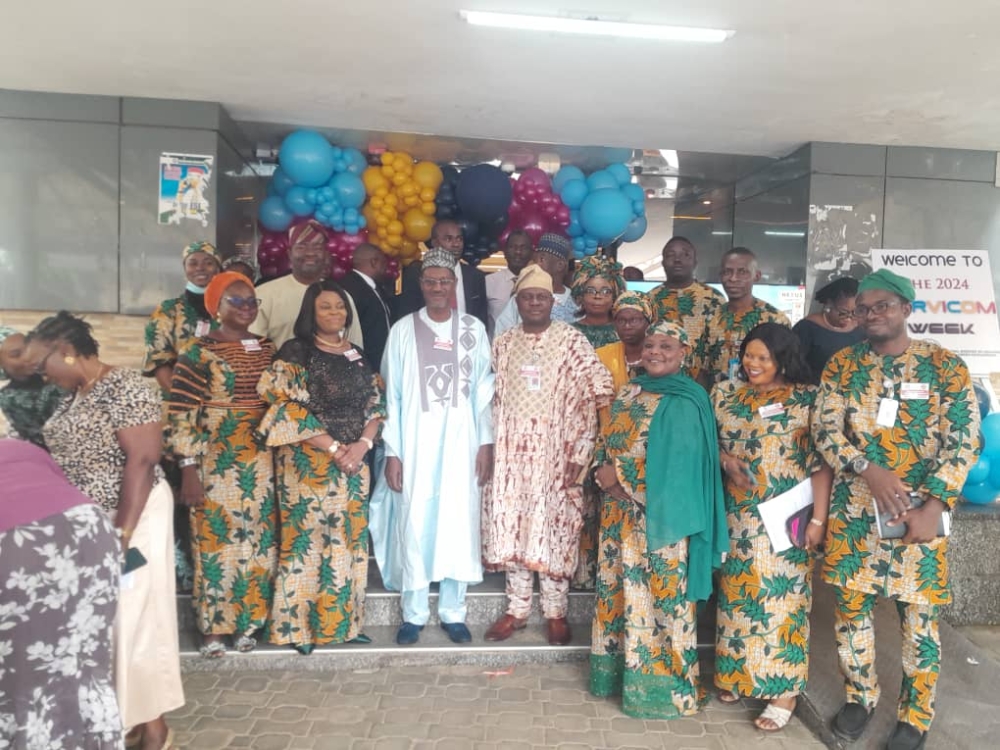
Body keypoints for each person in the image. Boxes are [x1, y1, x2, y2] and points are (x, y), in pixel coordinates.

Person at [813, 269, 981, 750]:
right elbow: (825, 431)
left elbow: (965, 438)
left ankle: (915, 715)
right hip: (854, 515)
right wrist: (868, 469)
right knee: (851, 614)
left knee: (920, 622)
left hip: (917, 517)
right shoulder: (843, 366)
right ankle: (859, 697)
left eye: (882, 305)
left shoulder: (943, 367)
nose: (870, 314)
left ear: (907, 309)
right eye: (863, 308)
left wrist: (936, 502)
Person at [27, 312, 183, 750]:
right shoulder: (75, 394)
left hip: (134, 517)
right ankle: (134, 718)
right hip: (94, 522)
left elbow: (143, 460)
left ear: (68, 352)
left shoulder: (126, 385)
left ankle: (155, 731)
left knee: (134, 619)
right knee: (111, 624)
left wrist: (122, 533)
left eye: (45, 366)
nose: (43, 375)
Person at [589, 321, 727, 719]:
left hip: (662, 520)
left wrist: (623, 480)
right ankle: (619, 678)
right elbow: (608, 437)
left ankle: (669, 692)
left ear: (684, 351)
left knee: (662, 600)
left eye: (666, 345)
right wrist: (603, 470)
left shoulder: (687, 398)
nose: (655, 352)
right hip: (619, 517)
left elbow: (681, 466)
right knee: (621, 597)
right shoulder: (630, 390)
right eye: (650, 344)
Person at [483, 265, 614, 646]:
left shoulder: (571, 340)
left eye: (542, 296)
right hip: (511, 458)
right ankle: (517, 610)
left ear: (551, 301)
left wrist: (583, 449)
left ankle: (556, 613)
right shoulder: (503, 344)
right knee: (515, 526)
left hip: (558, 455)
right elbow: (486, 400)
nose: (535, 302)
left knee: (556, 529)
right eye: (528, 296)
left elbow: (600, 392)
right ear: (518, 301)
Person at [370, 248, 495, 645]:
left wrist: (486, 443)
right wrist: (393, 452)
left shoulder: (474, 329)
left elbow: (484, 394)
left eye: (445, 281)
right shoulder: (403, 330)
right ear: (420, 286)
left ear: (454, 285)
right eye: (431, 281)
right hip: (416, 446)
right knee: (415, 522)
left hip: (463, 446)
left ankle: (454, 612)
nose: (438, 287)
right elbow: (393, 399)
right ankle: (415, 612)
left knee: (458, 523)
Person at [711, 323, 833, 731]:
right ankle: (739, 676)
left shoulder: (807, 400)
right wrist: (727, 461)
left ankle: (784, 691)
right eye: (749, 355)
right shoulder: (727, 395)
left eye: (763, 357)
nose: (753, 364)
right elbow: (712, 442)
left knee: (783, 604)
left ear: (783, 358)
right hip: (738, 515)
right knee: (738, 598)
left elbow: (821, 464)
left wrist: (818, 519)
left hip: (787, 519)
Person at [257, 280, 385, 653]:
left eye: (340, 306)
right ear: (310, 312)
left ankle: (341, 625)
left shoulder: (357, 353)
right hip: (309, 463)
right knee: (306, 546)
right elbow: (285, 408)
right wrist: (333, 448)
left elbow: (375, 404)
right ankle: (298, 630)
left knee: (348, 545)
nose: (335, 313)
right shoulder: (296, 352)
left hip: (354, 464)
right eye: (326, 307)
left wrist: (361, 445)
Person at [168, 271, 277, 658]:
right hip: (214, 457)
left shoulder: (268, 348)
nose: (247, 308)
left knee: (259, 542)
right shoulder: (197, 352)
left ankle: (248, 624)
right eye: (238, 301)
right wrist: (187, 468)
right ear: (216, 306)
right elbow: (181, 412)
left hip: (261, 460)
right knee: (215, 542)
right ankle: (214, 629)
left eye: (252, 302)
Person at [0, 440, 123, 749]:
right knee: (85, 665)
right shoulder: (18, 447)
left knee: (17, 677)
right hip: (91, 529)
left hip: (15, 541)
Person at [694, 247, 790, 385]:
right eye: (727, 272)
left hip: (757, 400)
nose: (733, 278)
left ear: (756, 276)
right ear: (720, 275)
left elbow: (783, 372)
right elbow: (702, 370)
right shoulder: (709, 318)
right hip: (716, 401)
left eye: (742, 272)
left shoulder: (774, 319)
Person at [142, 241, 222, 397]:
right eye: (193, 263)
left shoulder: (230, 308)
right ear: (185, 268)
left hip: (222, 403)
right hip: (178, 399)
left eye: (208, 263)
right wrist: (181, 399)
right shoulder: (167, 310)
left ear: (218, 269)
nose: (200, 268)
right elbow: (159, 361)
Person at [252, 219, 330, 347]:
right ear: (289, 254)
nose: (310, 253)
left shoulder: (340, 296)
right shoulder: (264, 294)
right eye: (301, 247)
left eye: (317, 247)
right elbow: (252, 347)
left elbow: (353, 344)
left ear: (326, 255)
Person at [395, 219, 488, 326]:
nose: (456, 244)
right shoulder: (416, 273)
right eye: (448, 239)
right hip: (425, 338)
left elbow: (481, 319)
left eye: (459, 239)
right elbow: (406, 314)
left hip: (465, 339)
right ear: (435, 243)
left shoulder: (475, 276)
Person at [493, 233, 579, 336]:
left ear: (560, 265)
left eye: (542, 259)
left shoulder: (575, 304)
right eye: (534, 259)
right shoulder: (521, 298)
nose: (535, 264)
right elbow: (501, 334)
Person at [647, 236, 725, 349]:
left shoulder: (713, 297)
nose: (677, 259)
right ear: (663, 262)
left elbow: (719, 342)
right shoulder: (649, 299)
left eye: (685, 254)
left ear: (695, 262)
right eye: (671, 255)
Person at [0, 326, 64, 446]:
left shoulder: (49, 371)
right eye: (16, 354)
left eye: (28, 349)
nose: (28, 357)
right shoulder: (10, 397)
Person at [793, 277, 864, 381]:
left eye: (855, 312)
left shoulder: (862, 330)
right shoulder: (807, 328)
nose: (849, 318)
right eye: (843, 312)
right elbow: (793, 367)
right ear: (829, 303)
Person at [338, 243, 393, 370]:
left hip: (380, 363)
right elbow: (343, 332)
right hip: (363, 365)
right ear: (374, 262)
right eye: (384, 263)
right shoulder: (349, 288)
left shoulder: (376, 288)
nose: (386, 269)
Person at [594, 292, 654, 391]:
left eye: (634, 320)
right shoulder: (600, 356)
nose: (627, 326)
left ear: (648, 322)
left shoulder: (658, 355)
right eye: (621, 321)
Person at [485, 229, 534, 336]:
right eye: (513, 247)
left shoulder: (538, 284)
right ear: (504, 252)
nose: (518, 252)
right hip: (495, 348)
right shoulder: (488, 282)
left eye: (523, 248)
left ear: (531, 252)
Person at [571, 254, 625, 349]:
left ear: (615, 296)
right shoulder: (570, 333)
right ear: (580, 296)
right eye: (590, 291)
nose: (598, 296)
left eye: (605, 291)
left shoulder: (624, 331)